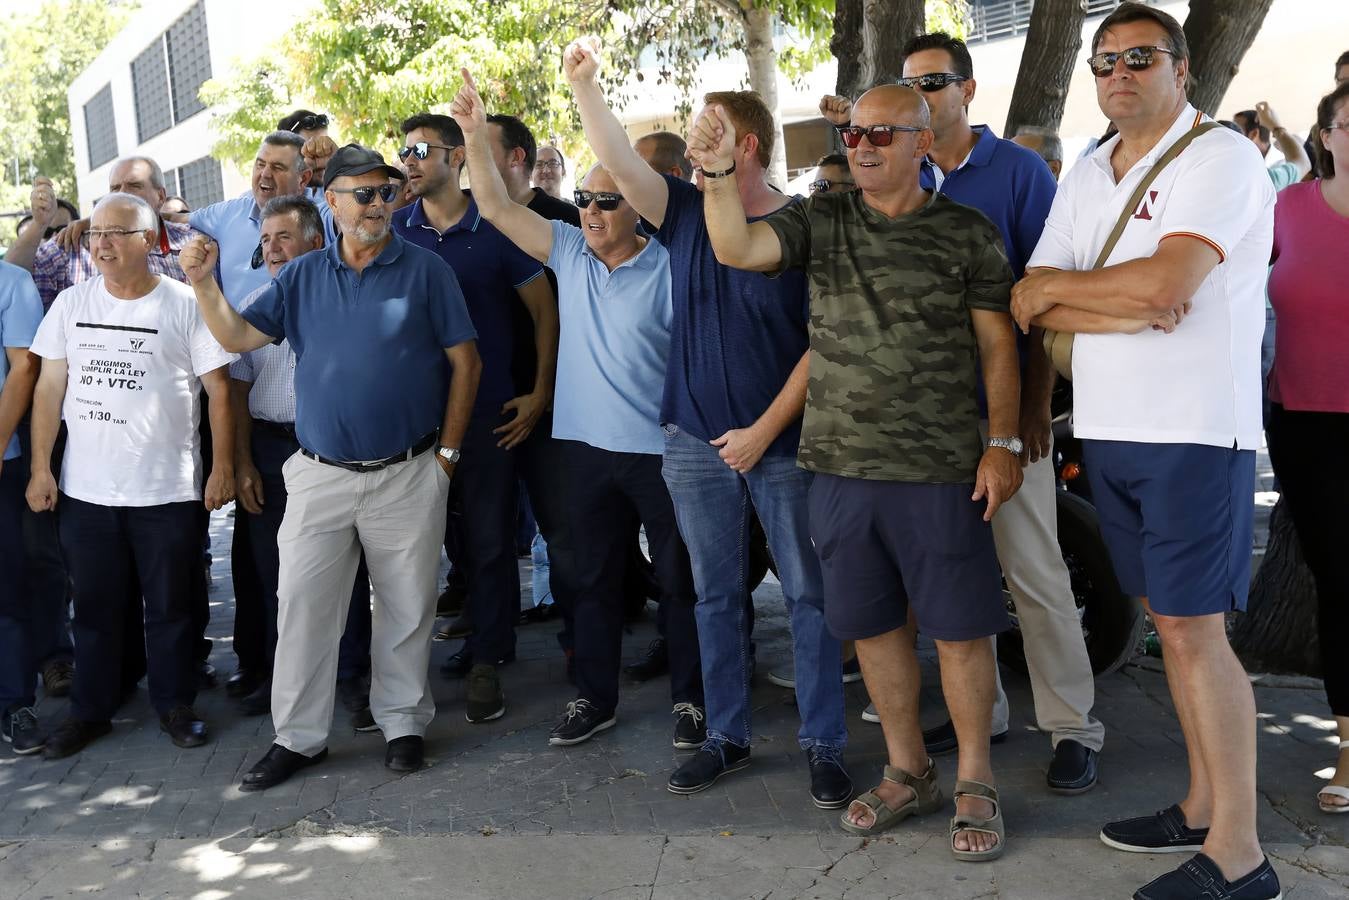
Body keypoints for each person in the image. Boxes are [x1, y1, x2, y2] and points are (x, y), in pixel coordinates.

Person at [691, 82, 1024, 859]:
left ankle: (974, 777)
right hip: (839, 469)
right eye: (854, 136)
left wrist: (1002, 444)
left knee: (959, 630)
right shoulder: (822, 219)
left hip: (941, 467)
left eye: (882, 134)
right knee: (871, 629)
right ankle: (907, 771)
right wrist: (712, 176)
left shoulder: (967, 232)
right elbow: (735, 247)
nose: (863, 146)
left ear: (922, 143)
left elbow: (998, 347)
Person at [1014, 4, 1279, 898]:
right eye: (1103, 62)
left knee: (1198, 634)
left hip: (1195, 432)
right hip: (1112, 426)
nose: (1117, 73)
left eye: (1138, 57)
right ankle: (1203, 805)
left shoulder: (1221, 157)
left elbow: (1171, 283)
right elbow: (1027, 296)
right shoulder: (1089, 168)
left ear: (1181, 67)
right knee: (1169, 625)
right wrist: (1120, 303)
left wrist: (1085, 293)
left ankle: (1239, 857)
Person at [566, 37, 852, 810]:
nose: (693, 141)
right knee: (710, 594)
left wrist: (762, 430)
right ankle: (725, 736)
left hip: (785, 443)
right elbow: (617, 160)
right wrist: (588, 88)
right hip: (692, 442)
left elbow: (823, 346)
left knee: (808, 596)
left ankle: (824, 743)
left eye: (707, 129)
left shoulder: (806, 225)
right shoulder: (684, 209)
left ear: (745, 143)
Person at [181, 144, 481, 790]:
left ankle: (402, 724)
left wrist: (447, 458)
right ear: (334, 202)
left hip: (409, 471)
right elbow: (235, 338)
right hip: (318, 473)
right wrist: (205, 285)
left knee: (407, 608)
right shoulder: (300, 275)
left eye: (385, 192)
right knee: (304, 609)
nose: (377, 204)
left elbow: (466, 363)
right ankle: (298, 738)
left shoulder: (425, 271)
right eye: (362, 194)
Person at [453, 68, 705, 748]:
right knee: (584, 581)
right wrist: (476, 134)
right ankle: (595, 697)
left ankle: (692, 700)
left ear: (639, 208)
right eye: (586, 198)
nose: (590, 210)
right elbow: (497, 208)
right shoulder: (567, 250)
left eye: (607, 200)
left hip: (663, 453)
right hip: (582, 455)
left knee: (681, 583)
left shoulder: (675, 262)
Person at [879, 29, 1102, 792]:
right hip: (922, 421)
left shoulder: (1015, 173)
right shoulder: (897, 174)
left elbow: (1045, 298)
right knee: (951, 574)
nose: (921, 96)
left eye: (934, 82)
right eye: (909, 84)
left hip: (1003, 415)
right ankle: (987, 713)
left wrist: (1033, 408)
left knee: (1034, 568)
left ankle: (1073, 726)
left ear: (968, 91)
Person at [26, 193, 236, 760]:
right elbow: (48, 389)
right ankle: (90, 712)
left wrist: (223, 468)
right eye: (96, 233)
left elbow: (219, 391)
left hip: (166, 490)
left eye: (118, 233)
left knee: (170, 607)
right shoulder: (70, 304)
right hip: (86, 493)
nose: (102, 244)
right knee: (93, 609)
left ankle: (175, 705)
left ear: (149, 240)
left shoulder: (185, 305)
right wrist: (41, 467)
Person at [391, 113, 556, 724]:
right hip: (413, 421)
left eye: (420, 150)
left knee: (490, 540)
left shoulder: (496, 226)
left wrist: (539, 392)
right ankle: (468, 644)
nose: (408, 160)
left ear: (457, 156)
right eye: (402, 150)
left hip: (490, 415)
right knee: (431, 545)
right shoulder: (396, 230)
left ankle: (489, 658)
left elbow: (544, 313)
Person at [226, 195, 376, 730]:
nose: (272, 249)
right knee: (273, 569)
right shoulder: (252, 303)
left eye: (283, 237)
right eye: (265, 240)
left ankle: (354, 674)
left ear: (316, 240)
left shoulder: (343, 296)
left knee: (345, 564)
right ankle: (277, 676)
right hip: (269, 447)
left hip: (332, 446)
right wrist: (241, 460)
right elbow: (237, 389)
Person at [1264, 81, 1349, 815]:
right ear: (1324, 134)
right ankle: (1347, 746)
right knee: (1338, 581)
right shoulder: (1286, 207)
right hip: (1301, 422)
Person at [0, 260, 44, 754]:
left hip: (3, 460)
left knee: (7, 590)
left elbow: (25, 366)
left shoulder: (12, 283)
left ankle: (15, 705)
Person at [1232, 103, 1312, 189]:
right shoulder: (1239, 165)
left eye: (1236, 131)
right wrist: (1275, 126)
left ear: (1254, 134)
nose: (1231, 136)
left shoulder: (1280, 165)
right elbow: (1303, 163)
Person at [277, 110, 333, 187]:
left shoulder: (340, 190)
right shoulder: (261, 196)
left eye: (324, 145)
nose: (321, 154)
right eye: (309, 148)